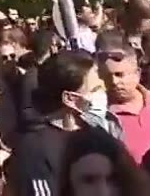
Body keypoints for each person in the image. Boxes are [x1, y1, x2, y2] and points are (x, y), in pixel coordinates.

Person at [8, 50, 115, 196]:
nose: (103, 94)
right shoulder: (34, 149)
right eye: (95, 89)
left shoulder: (101, 138)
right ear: (70, 99)